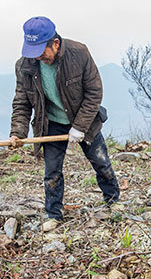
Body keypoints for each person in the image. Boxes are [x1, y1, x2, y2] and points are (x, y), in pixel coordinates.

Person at [9, 16, 120, 231]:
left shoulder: (79, 53)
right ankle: (54, 214)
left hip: (84, 120)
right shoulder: (25, 66)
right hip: (50, 124)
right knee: (52, 172)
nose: (39, 57)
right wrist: (17, 132)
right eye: (34, 52)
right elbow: (22, 102)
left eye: (42, 51)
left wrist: (79, 127)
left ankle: (113, 201)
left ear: (55, 43)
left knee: (101, 162)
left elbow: (94, 93)